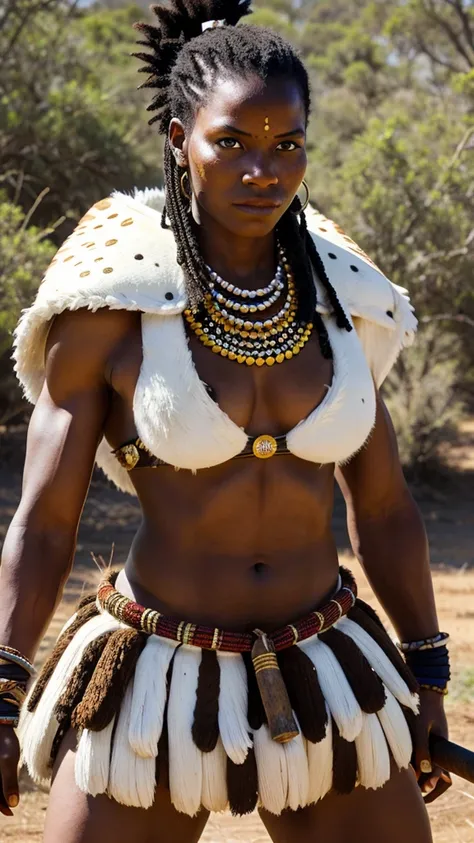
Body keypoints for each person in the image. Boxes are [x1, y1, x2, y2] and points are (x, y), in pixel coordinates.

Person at [0, 1, 453, 841]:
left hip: (330, 673)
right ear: (180, 140)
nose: (263, 171)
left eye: (288, 145)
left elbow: (385, 508)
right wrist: (1, 683)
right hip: (151, 680)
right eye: (233, 142)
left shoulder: (345, 300)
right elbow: (46, 518)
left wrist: (427, 671)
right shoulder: (112, 305)